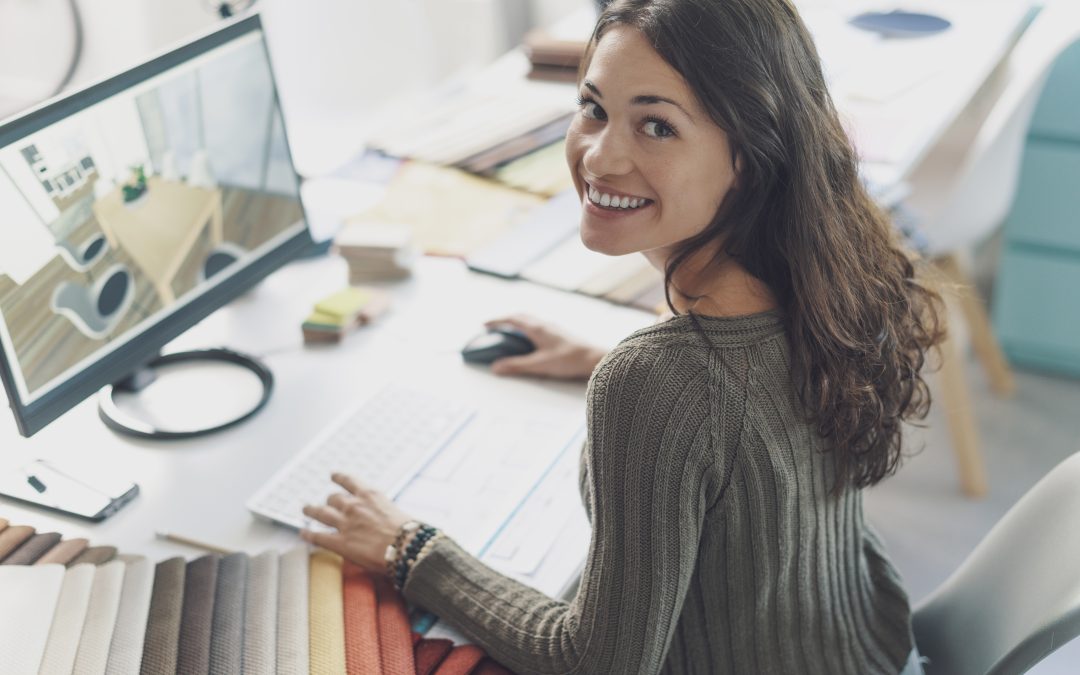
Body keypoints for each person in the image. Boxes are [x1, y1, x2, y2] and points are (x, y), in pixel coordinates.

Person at [300, 0, 944, 672]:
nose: (601, 157)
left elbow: (594, 662)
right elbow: (744, 419)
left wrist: (410, 548)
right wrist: (598, 360)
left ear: (750, 156)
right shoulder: (822, 275)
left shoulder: (658, 380)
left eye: (657, 127)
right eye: (594, 107)